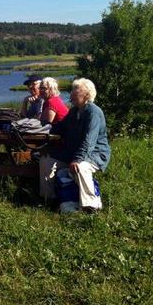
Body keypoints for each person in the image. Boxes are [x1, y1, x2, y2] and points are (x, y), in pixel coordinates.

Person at [39, 78, 111, 212]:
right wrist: (40, 127)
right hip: (72, 152)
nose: (71, 94)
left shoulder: (93, 112)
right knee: (46, 161)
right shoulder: (74, 112)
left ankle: (90, 206)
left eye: (75, 91)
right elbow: (60, 127)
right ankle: (50, 198)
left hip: (94, 153)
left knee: (81, 167)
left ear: (86, 94)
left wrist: (77, 159)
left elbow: (89, 141)